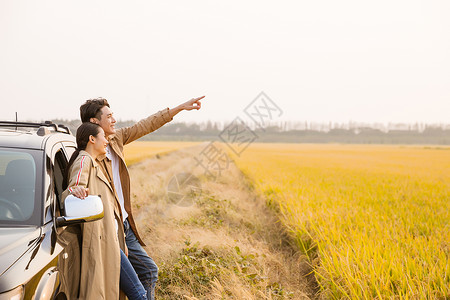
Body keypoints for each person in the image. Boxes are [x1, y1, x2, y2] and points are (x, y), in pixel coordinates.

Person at [74, 96, 204, 299]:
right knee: (141, 278)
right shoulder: (90, 156)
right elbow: (77, 180)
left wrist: (179, 108)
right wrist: (76, 189)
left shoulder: (116, 139)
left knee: (145, 274)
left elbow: (146, 125)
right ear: (94, 122)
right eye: (109, 116)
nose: (114, 120)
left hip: (124, 225)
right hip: (109, 228)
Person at [63, 122, 147, 300]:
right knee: (138, 292)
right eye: (103, 137)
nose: (107, 141)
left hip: (109, 239)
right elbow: (74, 187)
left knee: (134, 291)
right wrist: (75, 190)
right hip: (102, 241)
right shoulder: (85, 160)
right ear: (92, 139)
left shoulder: (93, 162)